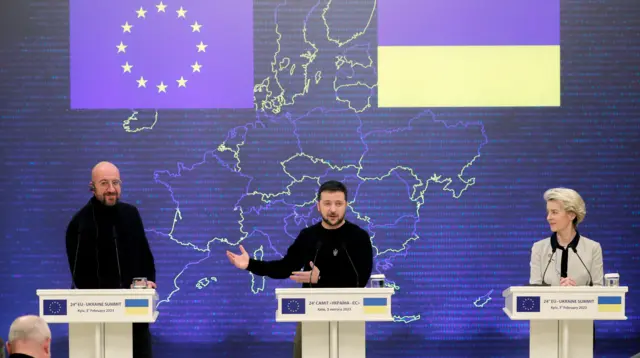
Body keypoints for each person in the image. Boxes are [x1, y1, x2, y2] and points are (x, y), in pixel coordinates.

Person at [226, 180, 373, 358]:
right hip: (312, 316)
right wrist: (250, 264)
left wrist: (320, 278)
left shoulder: (359, 237)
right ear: (318, 206)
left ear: (346, 205)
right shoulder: (308, 236)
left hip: (349, 318)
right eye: (327, 203)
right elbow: (284, 268)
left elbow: (360, 280)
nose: (333, 209)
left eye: (338, 204)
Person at [65, 161, 156, 357]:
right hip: (96, 321)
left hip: (135, 317)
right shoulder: (79, 224)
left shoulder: (131, 215)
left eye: (116, 182)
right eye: (104, 183)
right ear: (93, 187)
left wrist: (148, 282)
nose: (111, 189)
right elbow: (79, 277)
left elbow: (145, 257)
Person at [529, 187, 604, 286]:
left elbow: (599, 291)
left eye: (554, 212)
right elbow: (533, 292)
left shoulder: (593, 248)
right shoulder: (539, 248)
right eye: (548, 212)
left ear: (571, 215)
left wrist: (576, 291)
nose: (548, 217)